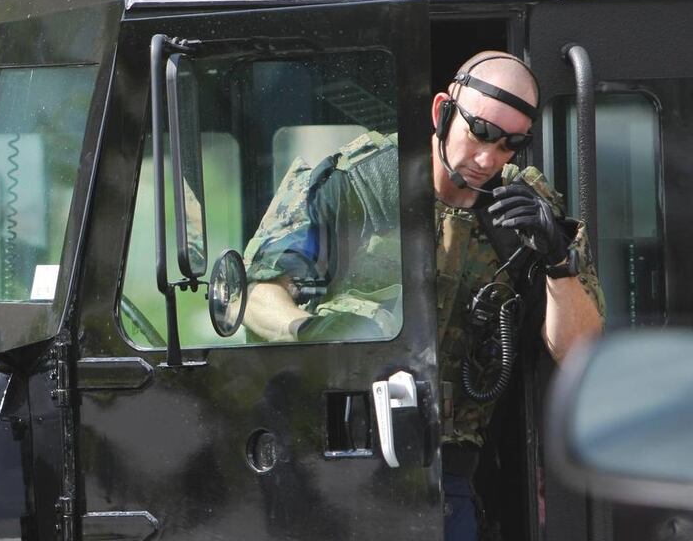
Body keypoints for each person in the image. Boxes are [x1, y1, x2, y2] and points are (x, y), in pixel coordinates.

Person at [242, 51, 605, 540]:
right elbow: (255, 297)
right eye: (480, 133)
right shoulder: (360, 182)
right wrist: (314, 331)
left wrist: (558, 260)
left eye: (510, 145)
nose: (488, 159)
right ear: (442, 112)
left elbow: (582, 354)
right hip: (337, 462)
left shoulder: (527, 215)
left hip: (446, 478)